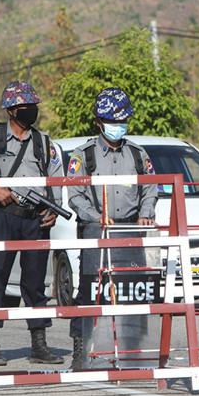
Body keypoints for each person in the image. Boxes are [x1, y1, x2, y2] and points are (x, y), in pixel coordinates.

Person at [0, 81, 64, 366]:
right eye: (25, 107)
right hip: (5, 218)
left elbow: (55, 178)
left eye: (34, 106)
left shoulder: (45, 142)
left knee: (35, 284)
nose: (31, 111)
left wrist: (54, 209)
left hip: (36, 220)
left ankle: (39, 344)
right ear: (11, 110)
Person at [66, 88, 158, 369]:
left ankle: (133, 354)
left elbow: (151, 187)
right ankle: (81, 354)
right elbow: (73, 193)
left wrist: (146, 214)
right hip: (96, 231)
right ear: (99, 121)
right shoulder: (84, 156)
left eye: (123, 120)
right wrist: (95, 216)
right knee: (89, 291)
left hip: (130, 232)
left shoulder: (138, 154)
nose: (119, 126)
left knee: (132, 291)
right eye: (113, 120)